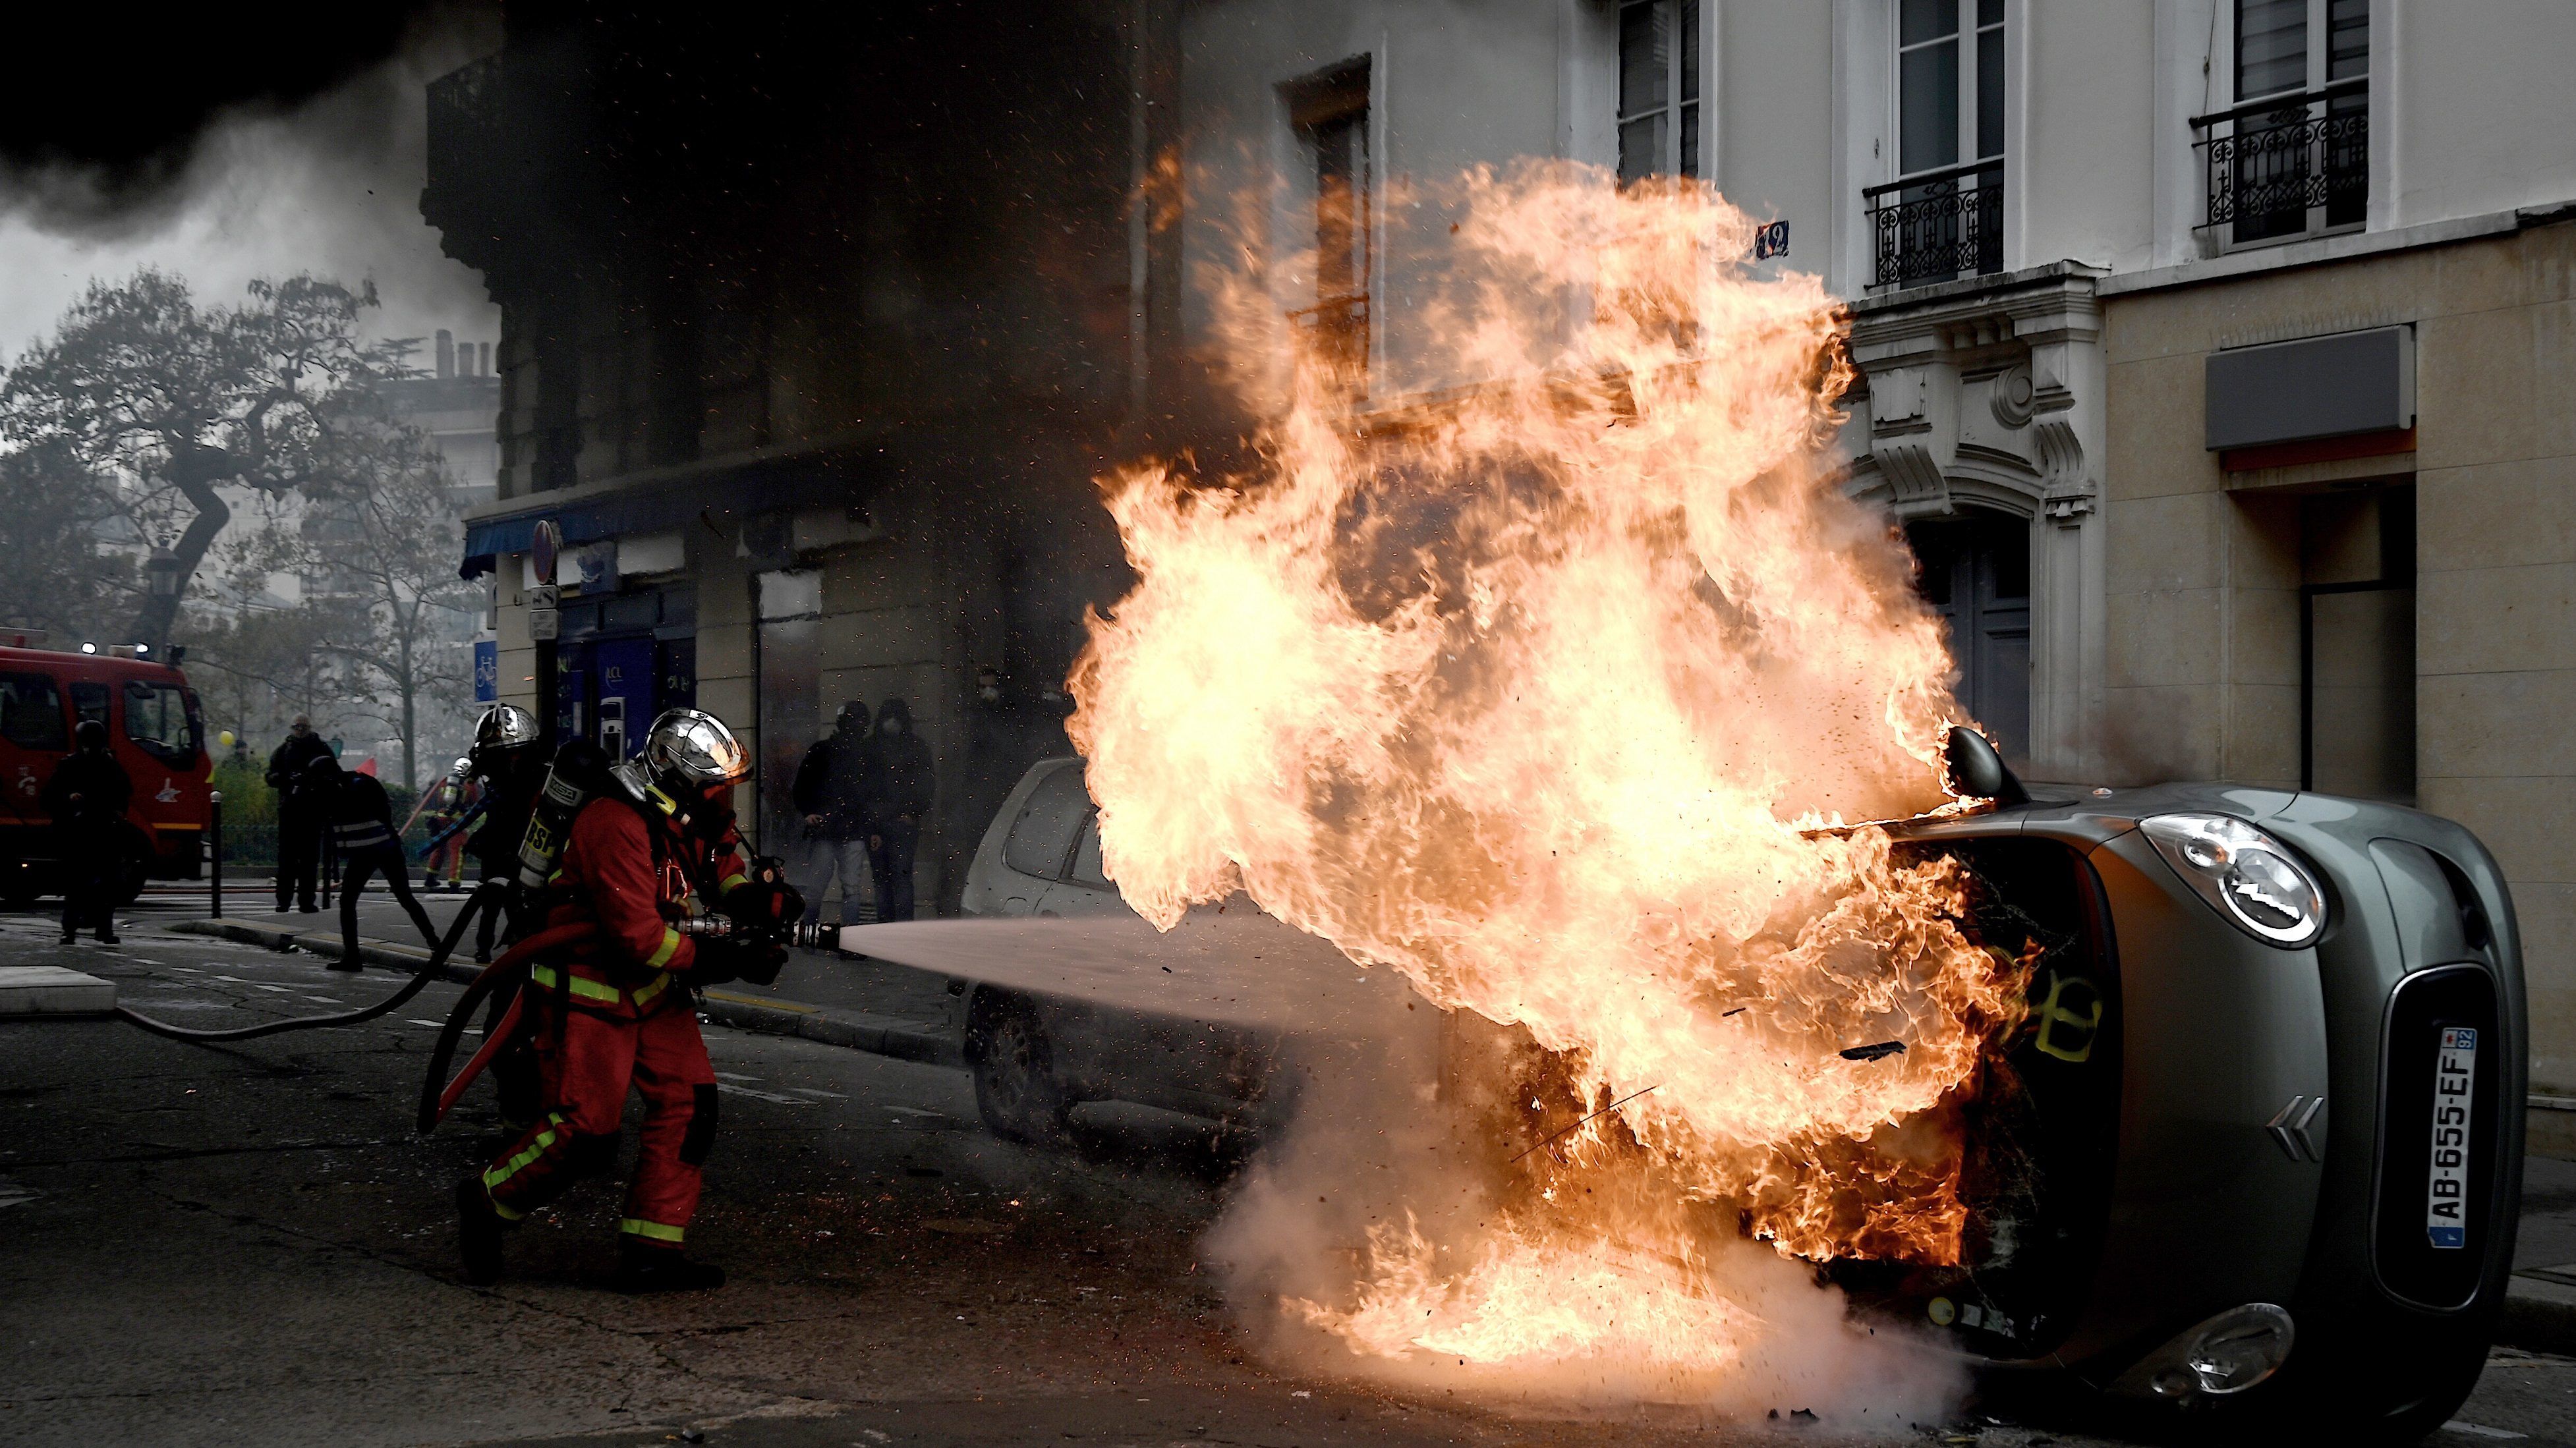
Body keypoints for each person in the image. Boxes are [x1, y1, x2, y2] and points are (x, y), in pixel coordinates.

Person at [455, 708, 797, 1293]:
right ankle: (488, 1199)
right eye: (714, 784)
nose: (723, 797)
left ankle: (652, 1252)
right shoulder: (612, 819)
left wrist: (760, 903)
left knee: (691, 1108)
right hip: (592, 985)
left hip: (656, 987)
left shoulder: (688, 813)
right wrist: (729, 960)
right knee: (587, 1134)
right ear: (674, 776)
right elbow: (636, 937)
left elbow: (721, 866)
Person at [318, 754, 440, 971]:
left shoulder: (356, 786)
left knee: (401, 897)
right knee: (390, 899)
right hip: (375, 850)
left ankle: (436, 947)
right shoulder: (344, 788)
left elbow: (375, 811)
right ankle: (353, 958)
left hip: (380, 849)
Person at [463, 704, 550, 965]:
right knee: (491, 904)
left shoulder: (545, 784)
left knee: (522, 916)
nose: (509, 765)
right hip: (500, 855)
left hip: (533, 865)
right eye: (499, 759)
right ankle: (485, 948)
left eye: (515, 756)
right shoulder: (499, 789)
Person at [42, 719, 130, 945]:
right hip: (81, 831)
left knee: (102, 883)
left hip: (98, 830)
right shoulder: (73, 765)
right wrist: (68, 799)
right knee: (79, 883)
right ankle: (76, 929)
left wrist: (117, 811)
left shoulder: (105, 764)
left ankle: (97, 929)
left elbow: (124, 792)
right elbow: (50, 796)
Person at [789, 701, 873, 926]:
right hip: (846, 829)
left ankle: (810, 933)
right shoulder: (866, 754)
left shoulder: (824, 750)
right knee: (849, 888)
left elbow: (801, 787)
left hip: (830, 828)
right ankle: (848, 940)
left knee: (820, 887)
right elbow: (873, 794)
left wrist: (809, 812)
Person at [859, 696, 934, 922]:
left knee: (883, 881)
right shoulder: (916, 746)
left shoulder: (870, 747)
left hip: (882, 822)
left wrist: (871, 823)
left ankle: (887, 928)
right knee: (899, 880)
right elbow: (925, 784)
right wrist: (913, 813)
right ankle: (901, 931)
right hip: (899, 822)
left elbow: (864, 789)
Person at [265, 715, 334, 912]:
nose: (300, 730)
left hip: (313, 811)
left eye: (303, 727)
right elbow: (270, 777)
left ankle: (307, 901)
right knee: (286, 860)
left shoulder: (321, 749)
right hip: (289, 811)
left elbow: (333, 774)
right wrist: (286, 778)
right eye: (296, 727)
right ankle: (283, 901)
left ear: (310, 728)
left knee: (309, 861)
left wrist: (315, 781)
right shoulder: (283, 751)